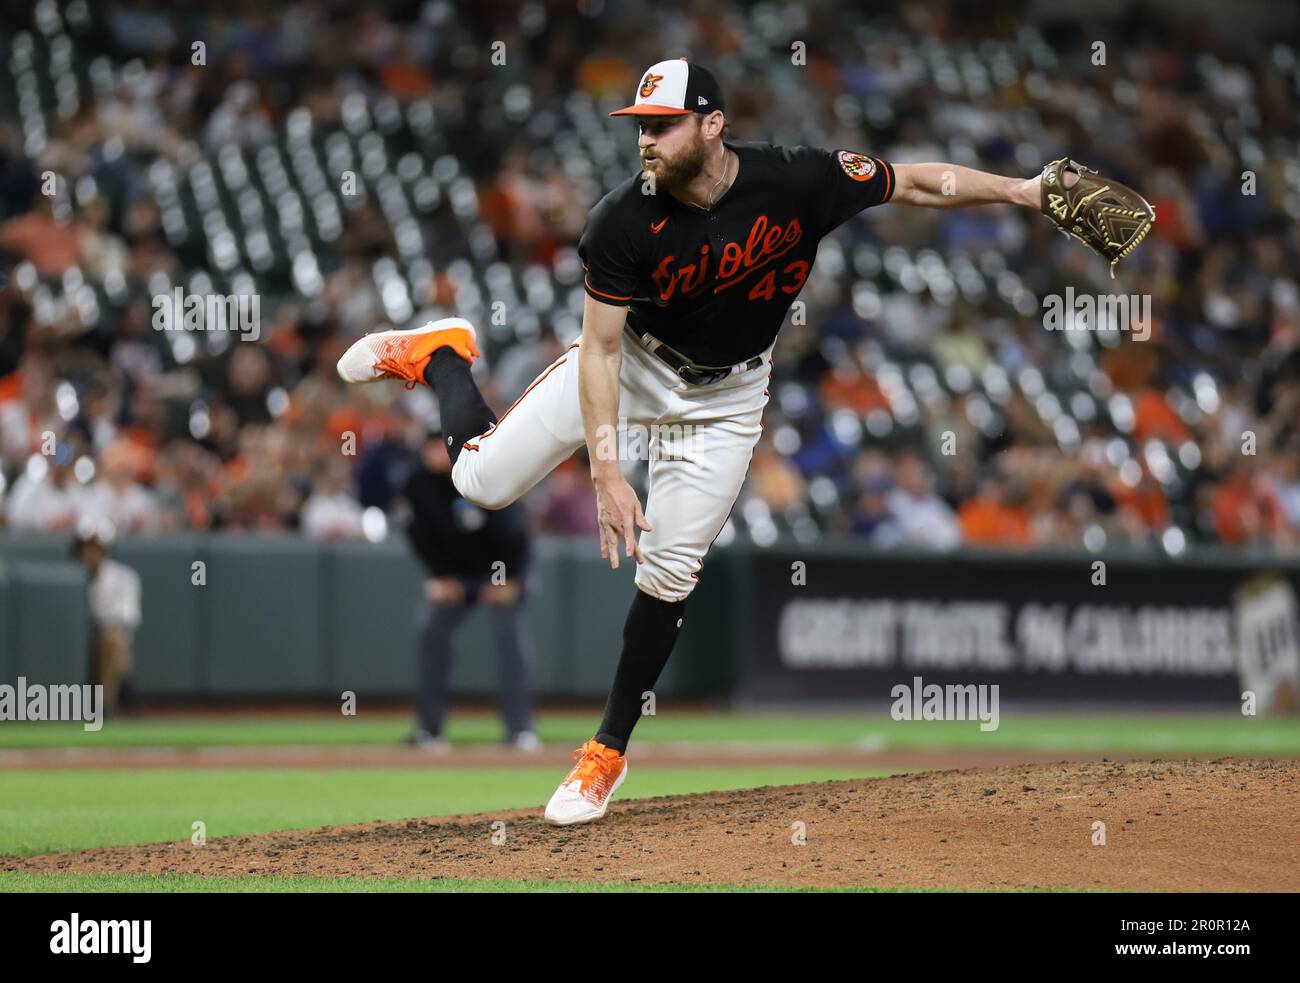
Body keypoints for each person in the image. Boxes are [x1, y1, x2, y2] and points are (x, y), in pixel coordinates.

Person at [336, 58, 1133, 824]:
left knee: (671, 569)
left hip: (730, 394)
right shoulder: (621, 219)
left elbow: (917, 181)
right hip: (637, 367)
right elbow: (603, 351)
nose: (645, 140)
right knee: (478, 483)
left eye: (663, 124)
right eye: (639, 126)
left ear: (712, 125)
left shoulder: (796, 179)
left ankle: (605, 752)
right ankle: (443, 353)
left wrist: (1026, 192)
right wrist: (609, 472)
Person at [401, 426, 538, 751]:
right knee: (432, 633)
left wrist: (511, 579)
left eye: (440, 445)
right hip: (457, 578)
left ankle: (520, 730)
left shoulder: (481, 474)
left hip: (503, 572)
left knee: (511, 639)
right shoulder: (418, 484)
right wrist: (440, 576)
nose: (435, 452)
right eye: (430, 446)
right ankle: (428, 731)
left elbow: (517, 532)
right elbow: (420, 535)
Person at [71, 529, 142, 719]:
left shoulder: (123, 576)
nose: (90, 555)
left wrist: (106, 623)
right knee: (116, 651)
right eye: (87, 550)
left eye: (95, 549)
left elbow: (130, 614)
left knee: (113, 641)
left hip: (111, 634)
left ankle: (105, 706)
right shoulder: (73, 576)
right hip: (77, 637)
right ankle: (114, 703)